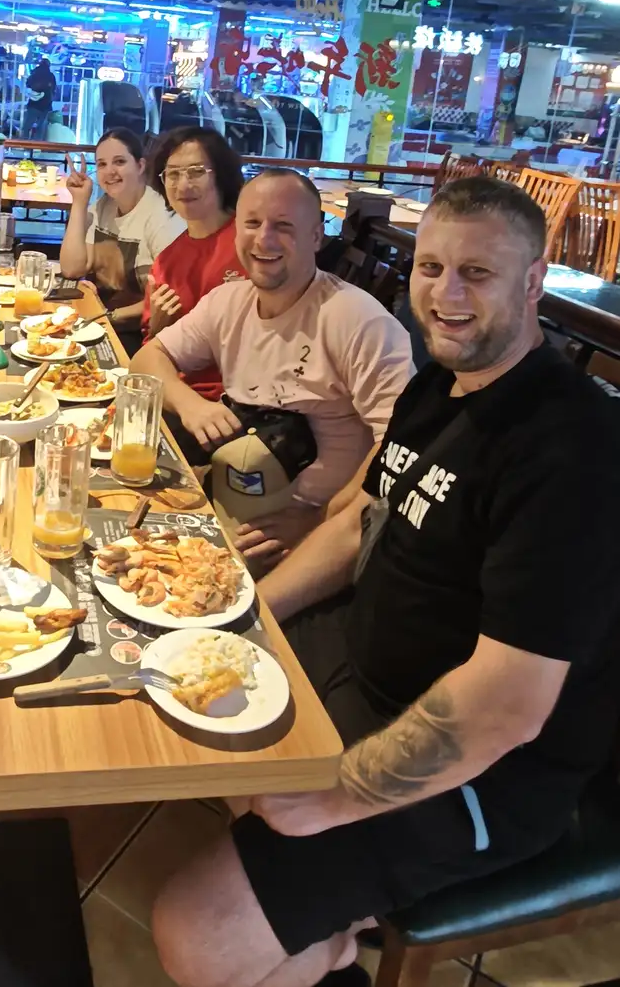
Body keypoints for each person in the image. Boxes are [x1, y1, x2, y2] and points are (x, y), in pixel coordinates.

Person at [151, 177, 620, 987]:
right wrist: (251, 611)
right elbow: (355, 521)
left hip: (491, 769)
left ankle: (319, 933)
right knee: (188, 695)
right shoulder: (438, 384)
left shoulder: (574, 450)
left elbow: (506, 706)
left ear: (533, 282)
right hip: (366, 662)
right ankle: (328, 939)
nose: (445, 294)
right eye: (432, 268)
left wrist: (332, 798)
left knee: (195, 931)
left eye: (477, 273)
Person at [131, 169, 412, 555]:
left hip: (316, 535)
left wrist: (319, 520)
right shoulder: (228, 302)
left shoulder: (359, 320)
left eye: (283, 225)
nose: (264, 239)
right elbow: (147, 359)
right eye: (252, 223)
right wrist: (189, 402)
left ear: (316, 236)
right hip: (228, 505)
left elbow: (401, 446)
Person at [143, 127, 246, 401]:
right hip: (176, 396)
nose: (183, 185)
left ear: (221, 175)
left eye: (196, 171)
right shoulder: (166, 261)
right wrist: (158, 326)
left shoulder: (251, 243)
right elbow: (149, 350)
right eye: (173, 174)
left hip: (237, 402)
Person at [59, 128, 183, 356]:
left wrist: (109, 316)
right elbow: (72, 267)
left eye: (119, 162)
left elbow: (171, 297)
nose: (110, 172)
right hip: (99, 324)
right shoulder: (102, 206)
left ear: (140, 166)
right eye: (102, 164)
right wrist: (79, 202)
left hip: (140, 335)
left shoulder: (161, 217)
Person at [21, 57, 57, 141]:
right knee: (41, 126)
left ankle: (23, 142)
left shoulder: (34, 74)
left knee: (27, 124)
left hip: (33, 103)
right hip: (46, 104)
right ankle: (38, 144)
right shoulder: (51, 76)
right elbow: (53, 89)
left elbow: (28, 84)